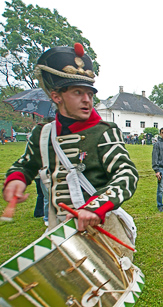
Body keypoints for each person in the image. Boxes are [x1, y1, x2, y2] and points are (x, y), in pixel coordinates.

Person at [3, 44, 138, 236]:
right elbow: (25, 165)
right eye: (77, 93)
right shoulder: (42, 133)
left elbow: (126, 174)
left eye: (90, 94)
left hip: (99, 227)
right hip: (59, 229)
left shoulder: (104, 131)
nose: (87, 100)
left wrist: (95, 207)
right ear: (56, 96)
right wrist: (17, 179)